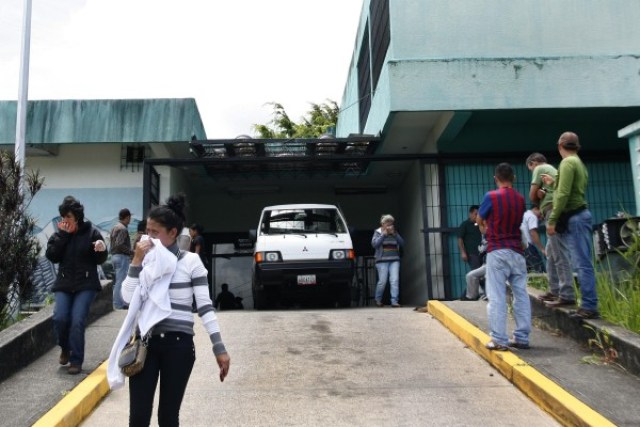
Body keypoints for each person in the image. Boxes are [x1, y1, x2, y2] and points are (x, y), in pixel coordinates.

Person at [111, 193, 230, 426]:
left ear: (173, 233)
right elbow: (127, 297)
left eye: (155, 232)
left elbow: (205, 307)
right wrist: (136, 262)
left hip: (179, 345)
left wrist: (219, 347)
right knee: (138, 418)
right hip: (146, 344)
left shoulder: (190, 262)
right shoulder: (146, 262)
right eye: (147, 231)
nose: (148, 237)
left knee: (168, 417)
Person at [45, 196, 108, 374]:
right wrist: (64, 236)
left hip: (86, 284)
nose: (65, 221)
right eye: (63, 217)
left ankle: (76, 360)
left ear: (78, 218)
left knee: (77, 320)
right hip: (64, 283)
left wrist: (101, 249)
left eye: (69, 217)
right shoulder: (59, 234)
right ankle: (65, 347)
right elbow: (52, 256)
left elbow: (100, 258)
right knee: (60, 317)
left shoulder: (91, 233)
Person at [476, 163, 530, 351]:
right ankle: (522, 337)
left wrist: (485, 228)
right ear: (513, 178)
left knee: (497, 295)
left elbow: (479, 219)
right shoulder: (520, 199)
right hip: (517, 251)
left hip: (497, 250)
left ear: (495, 178)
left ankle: (499, 339)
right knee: (521, 294)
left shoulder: (491, 196)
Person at [546, 132, 599, 319]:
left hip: (574, 217)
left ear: (560, 145)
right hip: (579, 215)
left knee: (581, 263)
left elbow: (563, 194)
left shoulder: (567, 163)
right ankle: (584, 302)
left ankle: (589, 306)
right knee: (581, 262)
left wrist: (552, 220)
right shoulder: (579, 163)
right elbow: (571, 189)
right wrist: (554, 183)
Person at [526, 152, 575, 307]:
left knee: (559, 253)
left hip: (553, 211)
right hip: (555, 211)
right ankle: (554, 290)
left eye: (530, 169)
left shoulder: (540, 169)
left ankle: (566, 294)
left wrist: (537, 195)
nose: (532, 172)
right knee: (552, 253)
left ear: (533, 163)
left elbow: (531, 196)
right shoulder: (551, 169)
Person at [371, 214, 405, 307]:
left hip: (394, 260)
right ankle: (378, 300)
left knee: (394, 280)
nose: (390, 225)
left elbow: (402, 243)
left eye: (391, 223)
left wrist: (395, 234)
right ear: (383, 224)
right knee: (382, 281)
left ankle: (394, 301)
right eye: (387, 223)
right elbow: (375, 244)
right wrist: (383, 235)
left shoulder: (395, 233)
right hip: (381, 261)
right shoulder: (377, 232)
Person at [110, 208, 133, 310]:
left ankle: (119, 302)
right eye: (129, 218)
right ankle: (118, 304)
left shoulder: (115, 227)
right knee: (121, 281)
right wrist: (132, 252)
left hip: (115, 256)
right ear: (127, 217)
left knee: (118, 281)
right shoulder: (123, 229)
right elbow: (119, 245)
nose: (130, 220)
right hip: (121, 257)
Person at [520, 205, 546, 273]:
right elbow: (533, 233)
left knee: (527, 271)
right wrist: (542, 249)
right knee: (540, 270)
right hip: (528, 246)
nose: (541, 218)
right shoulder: (532, 216)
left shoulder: (524, 215)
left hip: (521, 247)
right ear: (536, 208)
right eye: (541, 213)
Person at [457, 205, 483, 272]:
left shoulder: (481, 224)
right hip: (472, 254)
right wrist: (463, 252)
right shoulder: (465, 224)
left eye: (479, 214)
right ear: (470, 214)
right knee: (477, 273)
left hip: (483, 252)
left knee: (485, 274)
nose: (477, 216)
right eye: (475, 214)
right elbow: (460, 239)